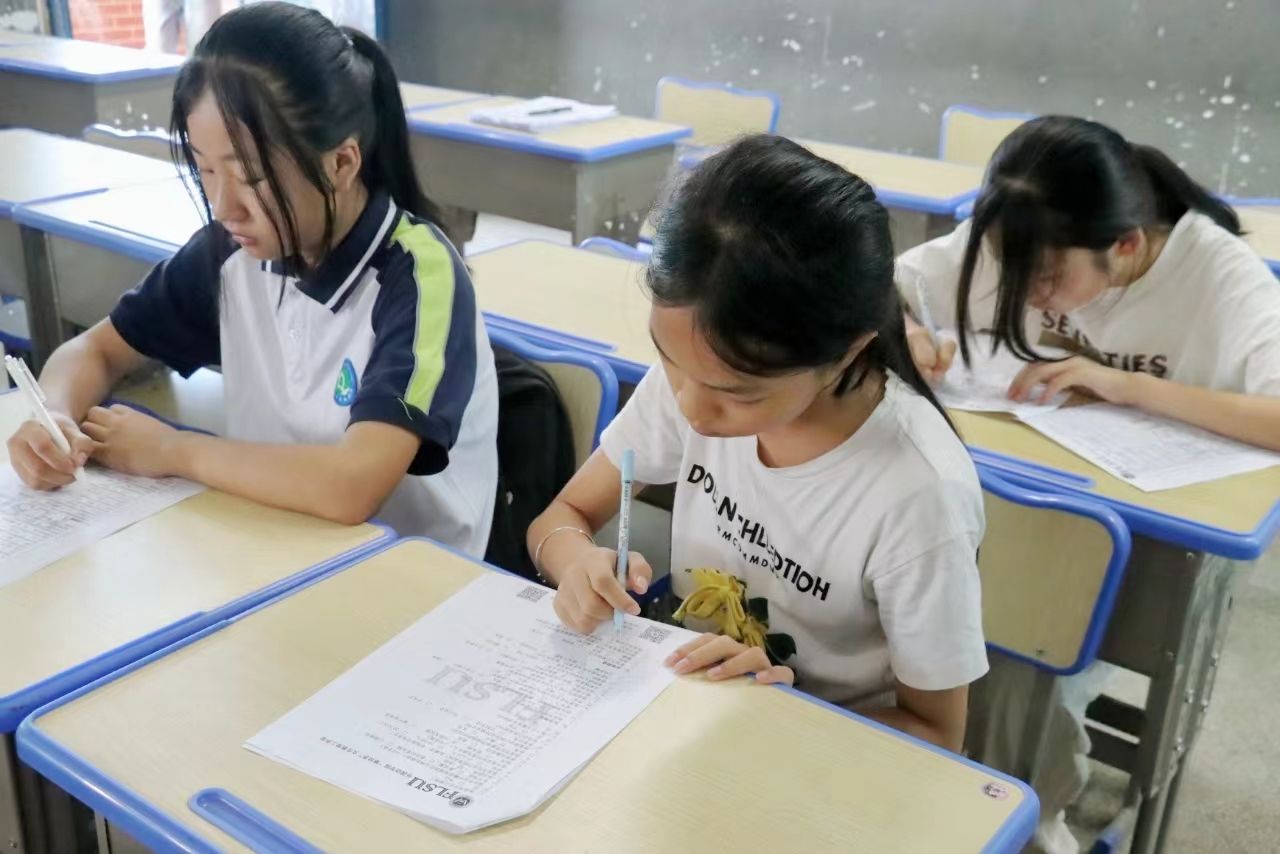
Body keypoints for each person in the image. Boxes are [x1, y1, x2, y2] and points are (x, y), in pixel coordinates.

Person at [528, 134, 988, 751]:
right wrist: (576, 564)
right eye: (668, 361)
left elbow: (937, 735)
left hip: (816, 759)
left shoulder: (918, 495)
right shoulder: (697, 374)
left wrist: (782, 713)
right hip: (686, 717)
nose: (691, 409)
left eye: (737, 393)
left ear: (847, 350)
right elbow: (563, 516)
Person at [899, 115, 1280, 853]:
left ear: (1127, 246)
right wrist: (908, 330)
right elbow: (894, 284)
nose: (1029, 293)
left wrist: (1123, 385)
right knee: (969, 616)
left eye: (1047, 279)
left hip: (1152, 525)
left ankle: (1029, 820)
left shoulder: (1215, 272)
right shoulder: (1028, 232)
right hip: (1029, 496)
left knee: (1018, 650)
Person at [6, 1, 498, 556]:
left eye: (253, 177)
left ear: (341, 163)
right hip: (273, 545)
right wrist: (53, 414)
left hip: (409, 579)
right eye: (205, 169)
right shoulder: (231, 253)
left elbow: (352, 485)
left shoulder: (420, 277)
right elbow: (95, 350)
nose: (223, 207)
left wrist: (173, 450)